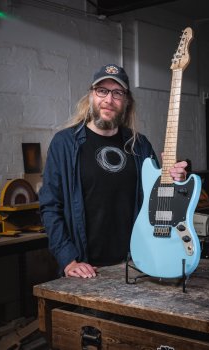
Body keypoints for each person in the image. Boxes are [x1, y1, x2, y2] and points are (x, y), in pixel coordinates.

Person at [39, 64, 188, 279]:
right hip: (87, 267)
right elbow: (50, 206)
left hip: (136, 262)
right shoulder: (65, 144)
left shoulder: (139, 145)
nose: (109, 100)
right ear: (91, 95)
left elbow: (159, 204)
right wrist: (68, 260)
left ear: (127, 101)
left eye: (118, 93)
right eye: (102, 91)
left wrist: (174, 181)